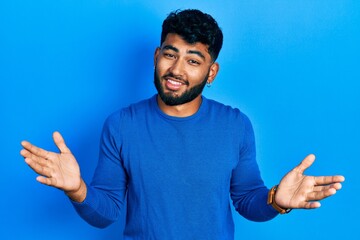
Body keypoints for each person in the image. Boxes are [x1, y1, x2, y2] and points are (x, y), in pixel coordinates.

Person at [20, 9, 345, 239]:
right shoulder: (121, 125)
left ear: (211, 72)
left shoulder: (235, 125)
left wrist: (276, 200)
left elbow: (248, 200)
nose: (176, 69)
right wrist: (77, 189)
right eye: (170, 54)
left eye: (193, 60)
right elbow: (105, 213)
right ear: (156, 55)